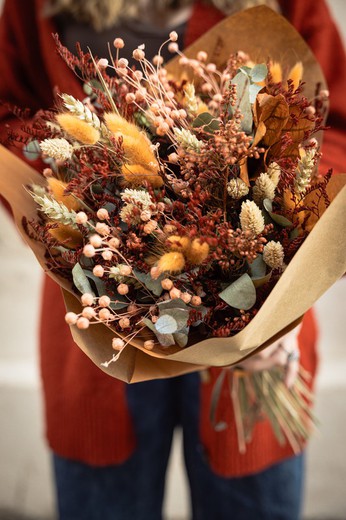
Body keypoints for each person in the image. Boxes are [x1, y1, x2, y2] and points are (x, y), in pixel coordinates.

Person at [0, 1, 345, 519]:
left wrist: (282, 297)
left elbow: (332, 124)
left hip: (260, 321)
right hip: (104, 316)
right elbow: (10, 119)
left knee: (252, 495)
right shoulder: (37, 7)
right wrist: (86, 200)